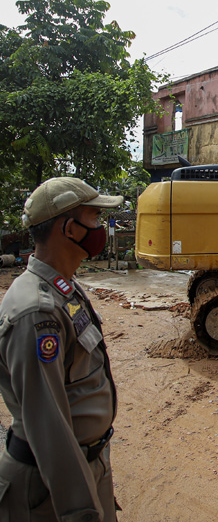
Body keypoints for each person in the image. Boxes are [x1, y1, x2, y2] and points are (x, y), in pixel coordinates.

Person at [0, 177, 123, 521]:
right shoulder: (36, 311)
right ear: (70, 228)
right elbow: (49, 429)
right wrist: (81, 511)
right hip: (48, 492)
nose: (100, 228)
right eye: (94, 219)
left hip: (87, 467)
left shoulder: (64, 288)